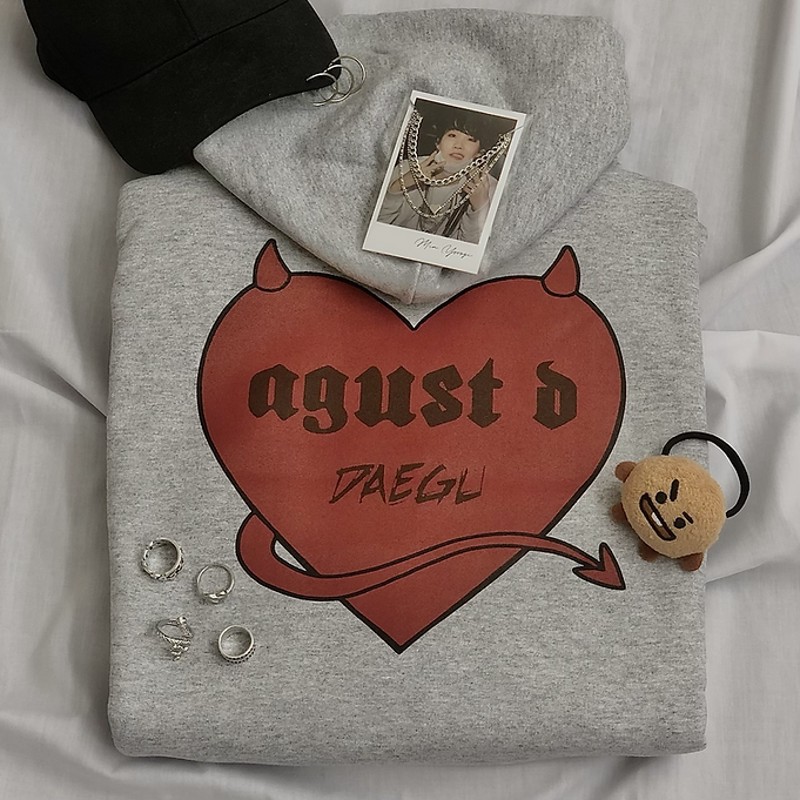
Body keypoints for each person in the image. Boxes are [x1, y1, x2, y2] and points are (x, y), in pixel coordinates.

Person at [378, 109, 510, 244]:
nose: (459, 146)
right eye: (452, 135)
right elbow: (375, 229)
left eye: (471, 139)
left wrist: (480, 207)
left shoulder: (488, 189)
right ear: (438, 142)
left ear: (479, 153)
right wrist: (398, 186)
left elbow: (471, 250)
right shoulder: (406, 168)